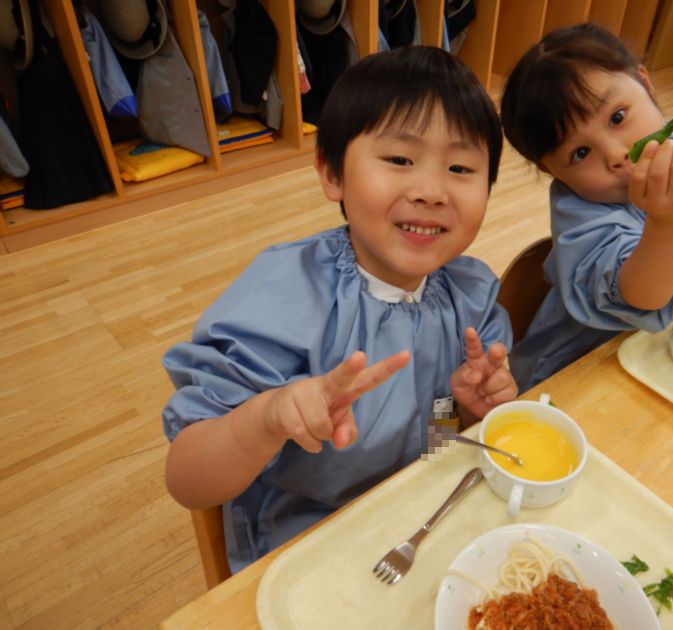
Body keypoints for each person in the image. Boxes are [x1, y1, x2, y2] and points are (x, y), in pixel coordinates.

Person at [161, 45, 516, 572]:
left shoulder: (472, 293)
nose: (431, 191)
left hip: (425, 520)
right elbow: (187, 481)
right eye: (399, 159)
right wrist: (266, 419)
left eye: (461, 167)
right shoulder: (283, 300)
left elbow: (445, 435)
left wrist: (479, 405)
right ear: (332, 174)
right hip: (306, 544)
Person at [500, 23, 673, 391]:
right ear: (552, 172)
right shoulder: (582, 213)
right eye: (580, 153)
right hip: (577, 369)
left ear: (645, 82)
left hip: (664, 344)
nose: (616, 154)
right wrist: (671, 223)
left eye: (618, 118)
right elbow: (642, 297)